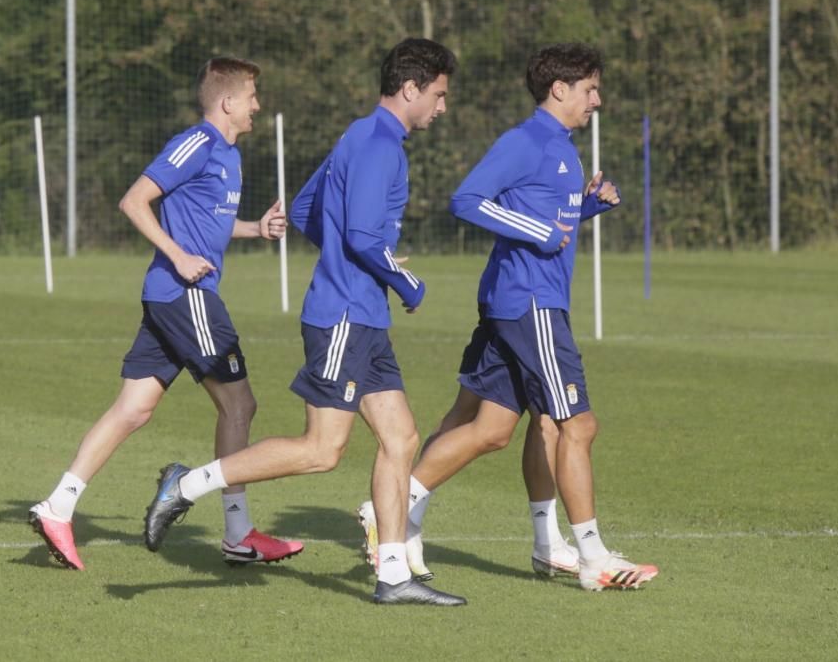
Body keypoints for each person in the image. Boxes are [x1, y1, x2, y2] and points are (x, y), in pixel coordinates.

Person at [142, 39, 466, 606]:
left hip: (360, 314)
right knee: (322, 450)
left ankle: (393, 576)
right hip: (344, 316)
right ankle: (187, 483)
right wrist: (404, 280)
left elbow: (309, 209)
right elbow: (363, 235)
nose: (442, 107)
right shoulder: (382, 144)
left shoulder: (359, 134)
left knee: (401, 436)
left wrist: (354, 257)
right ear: (411, 88)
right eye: (438, 95)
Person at [367, 43, 658, 592]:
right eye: (590, 88)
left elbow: (544, 213)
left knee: (495, 429)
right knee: (577, 424)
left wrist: (589, 205)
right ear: (560, 89)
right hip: (531, 303)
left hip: (524, 302)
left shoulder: (564, 148)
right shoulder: (525, 141)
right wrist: (539, 232)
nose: (598, 99)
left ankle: (388, 506)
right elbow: (467, 200)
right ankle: (593, 557)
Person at [28, 56, 301, 571]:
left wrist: (255, 229)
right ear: (227, 102)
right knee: (240, 405)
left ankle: (57, 506)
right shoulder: (197, 143)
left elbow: (209, 224)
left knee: (133, 410)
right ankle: (238, 533)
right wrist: (178, 256)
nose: (258, 106)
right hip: (185, 294)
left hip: (169, 296)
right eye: (252, 97)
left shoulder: (230, 155)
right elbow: (134, 201)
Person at [358, 319, 581, 582]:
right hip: (527, 304)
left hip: (509, 304)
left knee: (472, 413)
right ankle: (396, 507)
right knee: (528, 422)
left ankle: (407, 518)